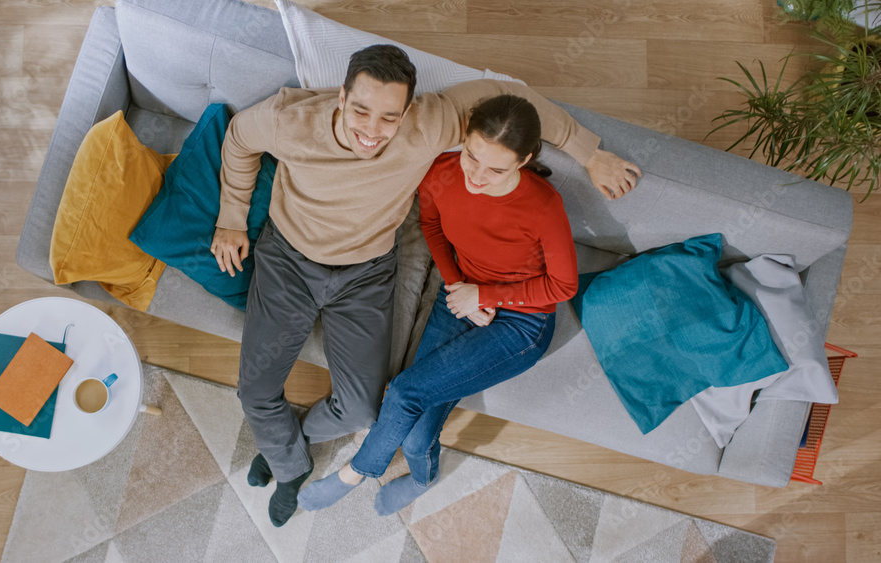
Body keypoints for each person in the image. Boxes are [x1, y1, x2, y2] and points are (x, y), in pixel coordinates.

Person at [210, 45, 641, 527]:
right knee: (257, 388)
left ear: (410, 111)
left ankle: (304, 448)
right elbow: (238, 139)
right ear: (341, 95)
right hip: (289, 258)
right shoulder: (288, 118)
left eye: (389, 116)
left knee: (363, 408)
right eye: (361, 110)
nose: (372, 131)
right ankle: (291, 467)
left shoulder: (434, 125)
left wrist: (591, 154)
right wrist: (230, 218)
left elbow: (515, 98)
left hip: (367, 274)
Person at [295, 94, 579, 516]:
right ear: (464, 138)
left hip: (521, 323)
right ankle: (425, 478)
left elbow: (563, 285)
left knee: (406, 391)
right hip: (461, 295)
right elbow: (431, 225)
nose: (478, 176)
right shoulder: (440, 174)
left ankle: (354, 473)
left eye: (497, 168)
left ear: (525, 159)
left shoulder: (543, 206)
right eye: (472, 156)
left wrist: (486, 296)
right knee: (414, 436)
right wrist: (457, 285)